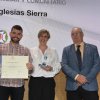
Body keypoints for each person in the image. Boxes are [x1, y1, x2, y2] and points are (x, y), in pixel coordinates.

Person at [61, 27, 100, 100]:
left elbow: (97, 65)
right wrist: (77, 77)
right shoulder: (66, 50)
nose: (75, 36)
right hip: (72, 87)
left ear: (82, 34)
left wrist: (86, 79)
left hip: (90, 85)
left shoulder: (93, 48)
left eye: (77, 33)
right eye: (72, 34)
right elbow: (64, 65)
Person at [0, 25, 33, 100]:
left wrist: (30, 68)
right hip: (2, 84)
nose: (16, 35)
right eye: (14, 33)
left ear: (21, 36)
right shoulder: (1, 48)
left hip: (18, 85)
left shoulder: (25, 50)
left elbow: (30, 70)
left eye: (19, 34)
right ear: (10, 33)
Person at [29, 29, 61, 100]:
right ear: (38, 37)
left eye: (45, 36)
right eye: (41, 36)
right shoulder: (31, 50)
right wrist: (29, 68)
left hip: (48, 82)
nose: (43, 38)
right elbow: (28, 66)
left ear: (48, 38)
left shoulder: (53, 51)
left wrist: (51, 68)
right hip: (35, 82)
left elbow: (58, 66)